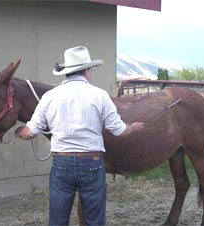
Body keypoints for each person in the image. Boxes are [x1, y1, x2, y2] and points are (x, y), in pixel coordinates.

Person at [15, 46, 144, 226]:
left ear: (67, 72)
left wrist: (18, 132)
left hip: (62, 164)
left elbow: (29, 133)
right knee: (94, 220)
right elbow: (119, 131)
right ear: (86, 70)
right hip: (92, 163)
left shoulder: (50, 97)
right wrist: (133, 127)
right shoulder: (100, 96)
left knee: (58, 220)